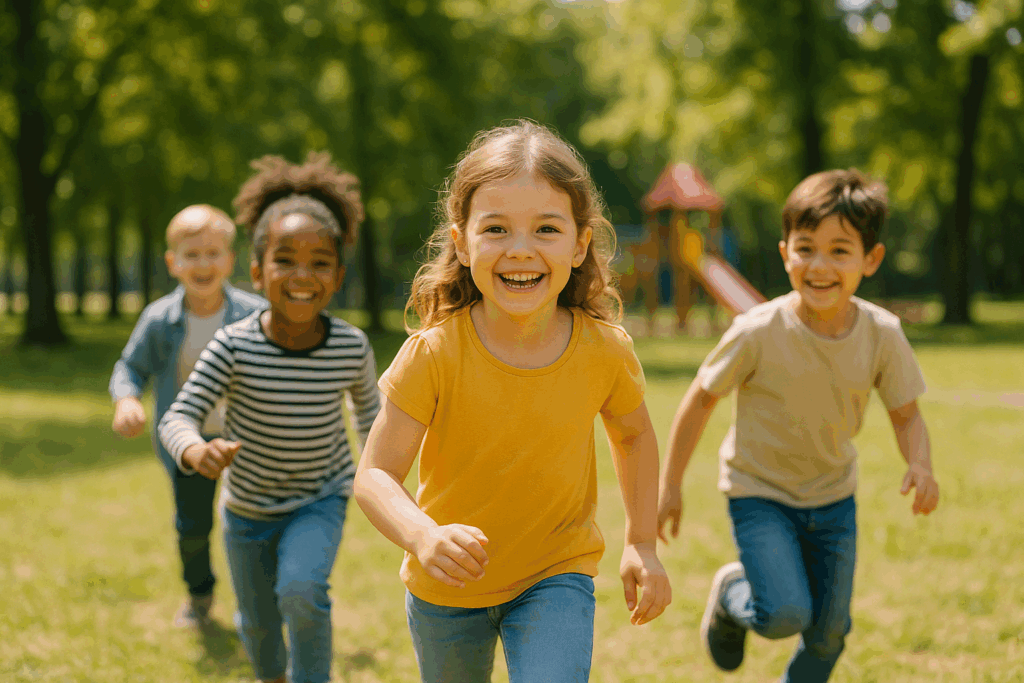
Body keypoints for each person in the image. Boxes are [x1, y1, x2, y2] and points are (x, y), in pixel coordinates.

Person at [353, 120, 671, 683]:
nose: (519, 250)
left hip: (556, 573)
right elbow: (375, 475)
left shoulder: (604, 351)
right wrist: (423, 535)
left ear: (579, 244)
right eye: (496, 228)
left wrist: (641, 543)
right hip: (447, 585)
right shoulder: (434, 353)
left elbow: (633, 435)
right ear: (461, 241)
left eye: (546, 229)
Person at [657, 169, 940, 682]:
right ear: (786, 251)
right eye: (806, 248)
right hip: (759, 493)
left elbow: (906, 413)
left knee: (829, 634)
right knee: (784, 613)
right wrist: (670, 485)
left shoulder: (883, 334)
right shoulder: (758, 330)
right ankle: (731, 595)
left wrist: (920, 463)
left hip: (833, 499)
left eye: (839, 250)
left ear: (870, 260)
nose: (819, 265)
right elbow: (700, 400)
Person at [158, 152, 380, 683]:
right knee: (257, 626)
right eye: (285, 259)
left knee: (302, 592)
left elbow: (373, 421)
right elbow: (178, 416)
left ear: (338, 275)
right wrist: (195, 449)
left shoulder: (351, 347)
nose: (302, 275)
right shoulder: (233, 346)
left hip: (319, 499)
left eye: (320, 262)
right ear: (257, 272)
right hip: (248, 510)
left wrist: (383, 481)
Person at [109, 204, 265, 628]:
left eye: (213, 253)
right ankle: (199, 597)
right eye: (191, 255)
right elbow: (130, 368)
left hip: (246, 443)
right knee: (192, 529)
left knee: (249, 526)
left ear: (231, 261)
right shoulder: (159, 320)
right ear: (172, 262)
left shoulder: (253, 314)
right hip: (188, 445)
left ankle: (257, 605)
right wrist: (127, 400)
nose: (203, 264)